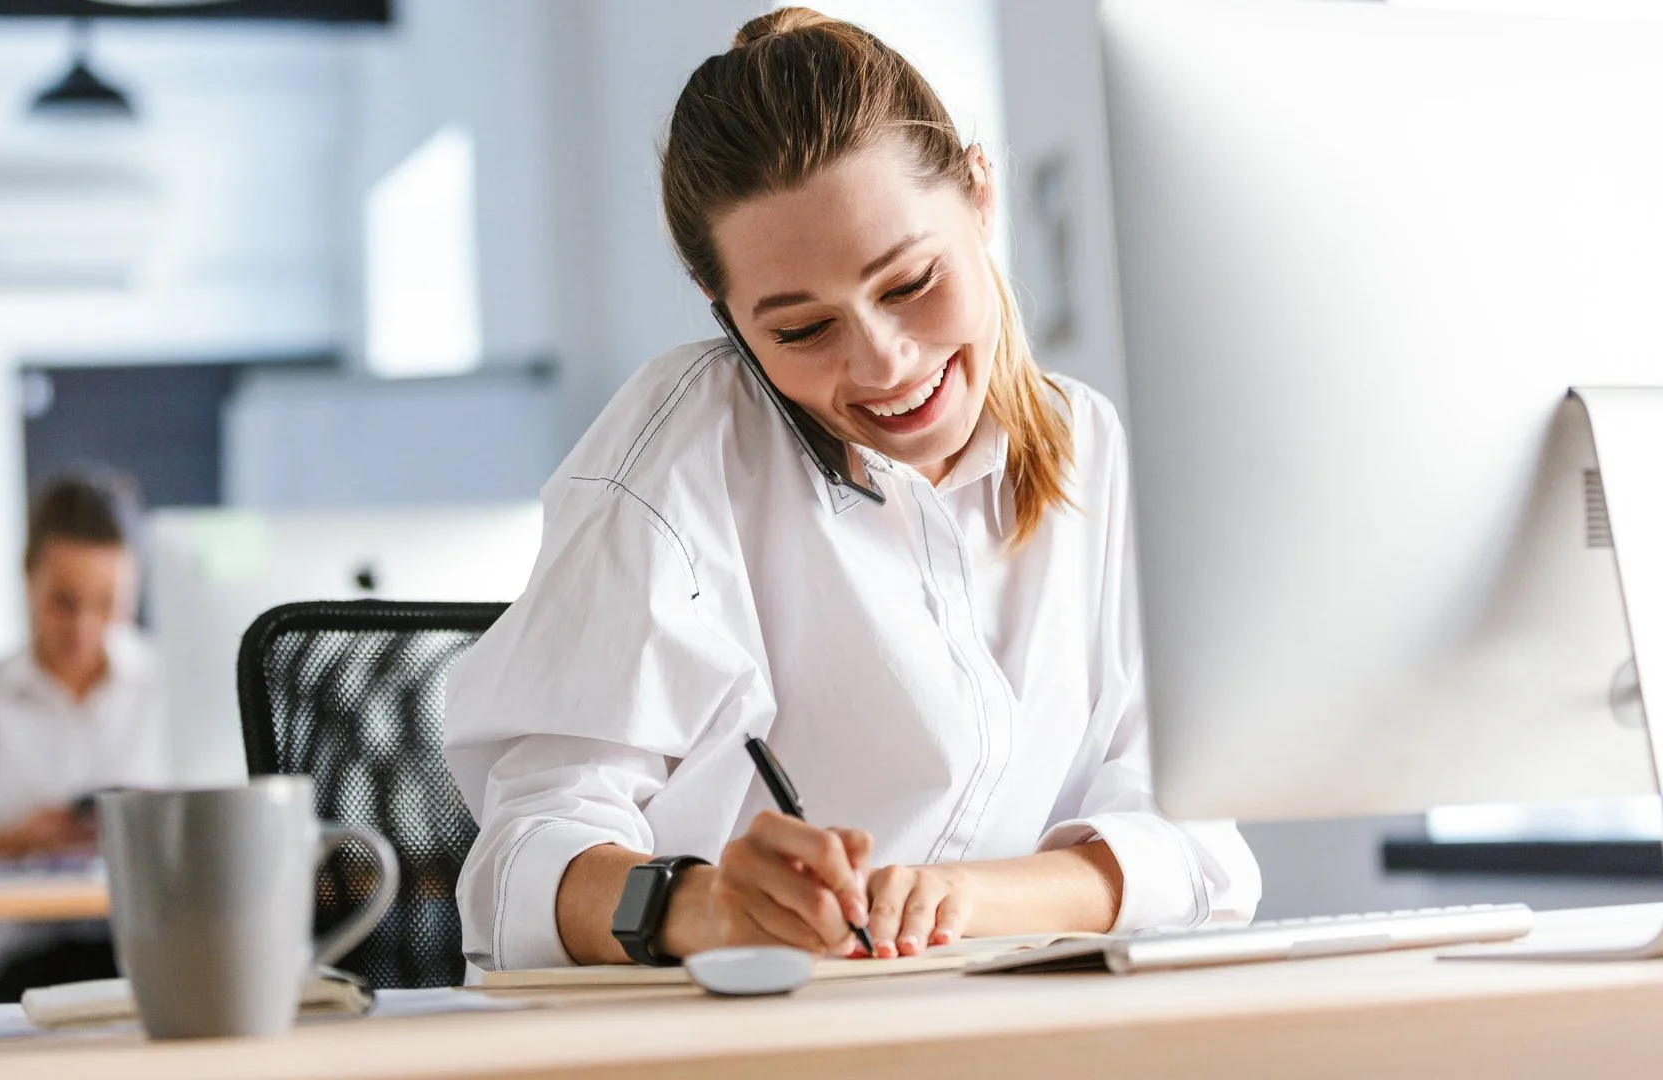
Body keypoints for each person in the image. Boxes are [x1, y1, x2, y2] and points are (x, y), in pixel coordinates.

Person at [442, 8, 1260, 972]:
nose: (883, 362)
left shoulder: (1088, 448)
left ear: (981, 198)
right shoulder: (681, 454)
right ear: (732, 319)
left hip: (1004, 1021)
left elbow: (1197, 851)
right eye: (799, 330)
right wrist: (701, 908)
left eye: (910, 282)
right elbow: (519, 871)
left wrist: (958, 898)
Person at [0, 472, 166, 998]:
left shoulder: (171, 687)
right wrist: (19, 839)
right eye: (63, 602)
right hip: (25, 967)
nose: (84, 628)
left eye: (108, 605)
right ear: (26, 576)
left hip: (156, 953)